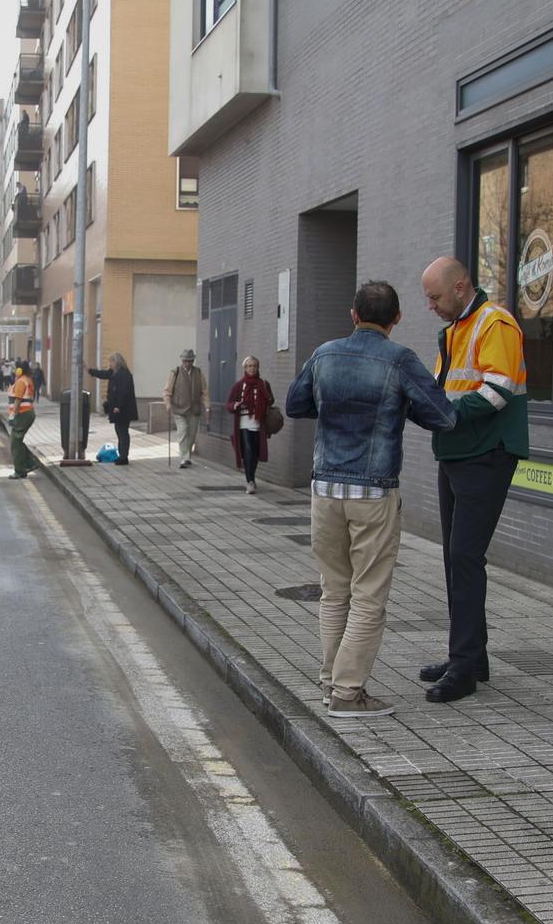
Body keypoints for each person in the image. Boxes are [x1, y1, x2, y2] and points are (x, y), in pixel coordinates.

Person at [285, 281, 457, 719]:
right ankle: (347, 692)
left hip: (324, 490)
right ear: (396, 319)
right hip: (373, 492)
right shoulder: (400, 360)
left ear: (353, 314)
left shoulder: (324, 354)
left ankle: (330, 683)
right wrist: (401, 407)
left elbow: (295, 404)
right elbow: (443, 416)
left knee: (333, 592)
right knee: (368, 596)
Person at [416, 258, 530, 705]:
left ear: (460, 287)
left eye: (436, 296)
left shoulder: (494, 323)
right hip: (460, 453)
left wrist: (446, 414)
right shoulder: (455, 329)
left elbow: (498, 390)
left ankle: (464, 667)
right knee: (456, 558)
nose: (431, 305)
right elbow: (448, 386)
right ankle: (470, 657)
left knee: (464, 556)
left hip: (486, 454)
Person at [226, 355, 273, 492]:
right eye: (249, 366)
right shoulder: (239, 386)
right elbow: (228, 404)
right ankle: (250, 481)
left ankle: (252, 477)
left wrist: (266, 398)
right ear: (245, 368)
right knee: (248, 452)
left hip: (258, 425)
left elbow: (271, 400)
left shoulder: (264, 384)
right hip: (243, 425)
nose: (252, 368)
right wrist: (236, 405)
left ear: (258, 367)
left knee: (256, 454)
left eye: (254, 366)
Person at [86, 352, 138, 465]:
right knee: (119, 432)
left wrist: (118, 406)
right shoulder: (114, 373)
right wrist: (90, 370)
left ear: (117, 362)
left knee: (123, 432)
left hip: (123, 409)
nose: (109, 364)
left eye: (111, 361)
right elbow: (103, 374)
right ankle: (122, 455)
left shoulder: (124, 374)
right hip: (118, 408)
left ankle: (124, 457)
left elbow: (123, 393)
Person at [164, 348, 206, 468]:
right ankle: (184, 458)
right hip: (179, 409)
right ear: (182, 360)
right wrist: (167, 404)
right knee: (182, 432)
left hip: (194, 409)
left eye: (190, 361)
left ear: (193, 361)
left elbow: (205, 391)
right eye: (185, 361)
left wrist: (207, 407)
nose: (187, 363)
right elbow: (167, 391)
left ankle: (187, 455)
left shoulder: (198, 372)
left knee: (191, 435)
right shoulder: (175, 372)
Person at [6, 362, 38, 479]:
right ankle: (30, 463)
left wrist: (12, 415)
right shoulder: (26, 379)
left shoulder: (21, 381)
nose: (14, 370)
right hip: (27, 413)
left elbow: (18, 400)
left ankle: (20, 470)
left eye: (16, 369)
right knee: (17, 441)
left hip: (22, 414)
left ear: (20, 370)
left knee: (15, 441)